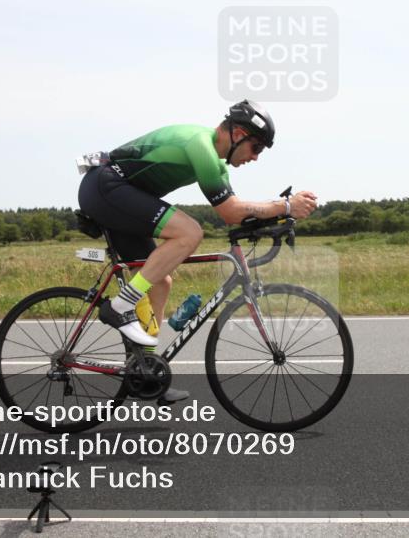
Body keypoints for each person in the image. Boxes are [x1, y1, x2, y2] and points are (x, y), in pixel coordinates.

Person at [78, 100, 318, 404]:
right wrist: (285, 205)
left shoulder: (217, 164)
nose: (255, 158)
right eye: (256, 147)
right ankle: (121, 306)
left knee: (160, 282)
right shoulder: (200, 145)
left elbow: (238, 212)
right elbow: (231, 212)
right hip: (105, 187)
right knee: (189, 232)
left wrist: (278, 218)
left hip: (119, 193)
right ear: (238, 134)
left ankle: (146, 371)